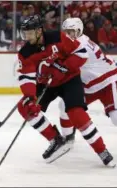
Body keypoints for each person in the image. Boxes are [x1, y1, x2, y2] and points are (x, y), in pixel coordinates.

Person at [16, 15, 114, 167]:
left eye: (29, 32)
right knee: (25, 107)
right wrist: (29, 96)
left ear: (39, 31)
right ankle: (56, 139)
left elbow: (81, 53)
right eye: (25, 33)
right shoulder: (25, 52)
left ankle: (102, 150)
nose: (26, 36)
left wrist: (65, 67)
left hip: (69, 79)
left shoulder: (57, 37)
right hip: (46, 83)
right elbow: (26, 77)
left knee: (76, 113)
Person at [58, 17, 116, 166]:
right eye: (67, 32)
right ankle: (68, 138)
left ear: (79, 31)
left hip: (108, 80)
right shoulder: (74, 42)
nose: (69, 35)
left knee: (115, 117)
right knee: (65, 105)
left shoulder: (81, 45)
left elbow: (68, 65)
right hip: (90, 85)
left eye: (72, 32)